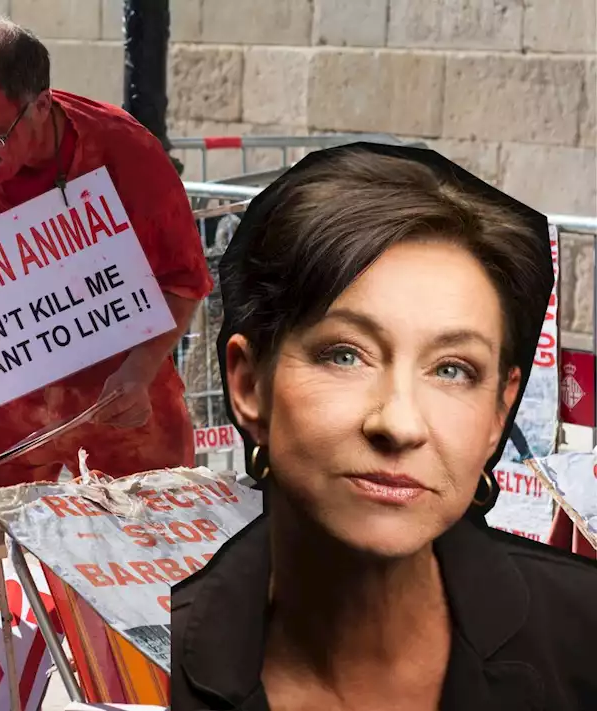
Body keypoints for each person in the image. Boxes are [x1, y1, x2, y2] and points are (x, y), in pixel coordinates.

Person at [170, 142, 597, 709]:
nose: (399, 423)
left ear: (500, 411)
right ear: (249, 386)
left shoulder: (581, 638)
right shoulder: (140, 671)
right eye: (345, 354)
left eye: (452, 369)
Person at [0, 16, 212, 514]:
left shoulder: (124, 154)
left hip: (121, 396)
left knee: (157, 549)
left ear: (40, 106)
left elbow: (183, 280)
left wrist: (140, 369)